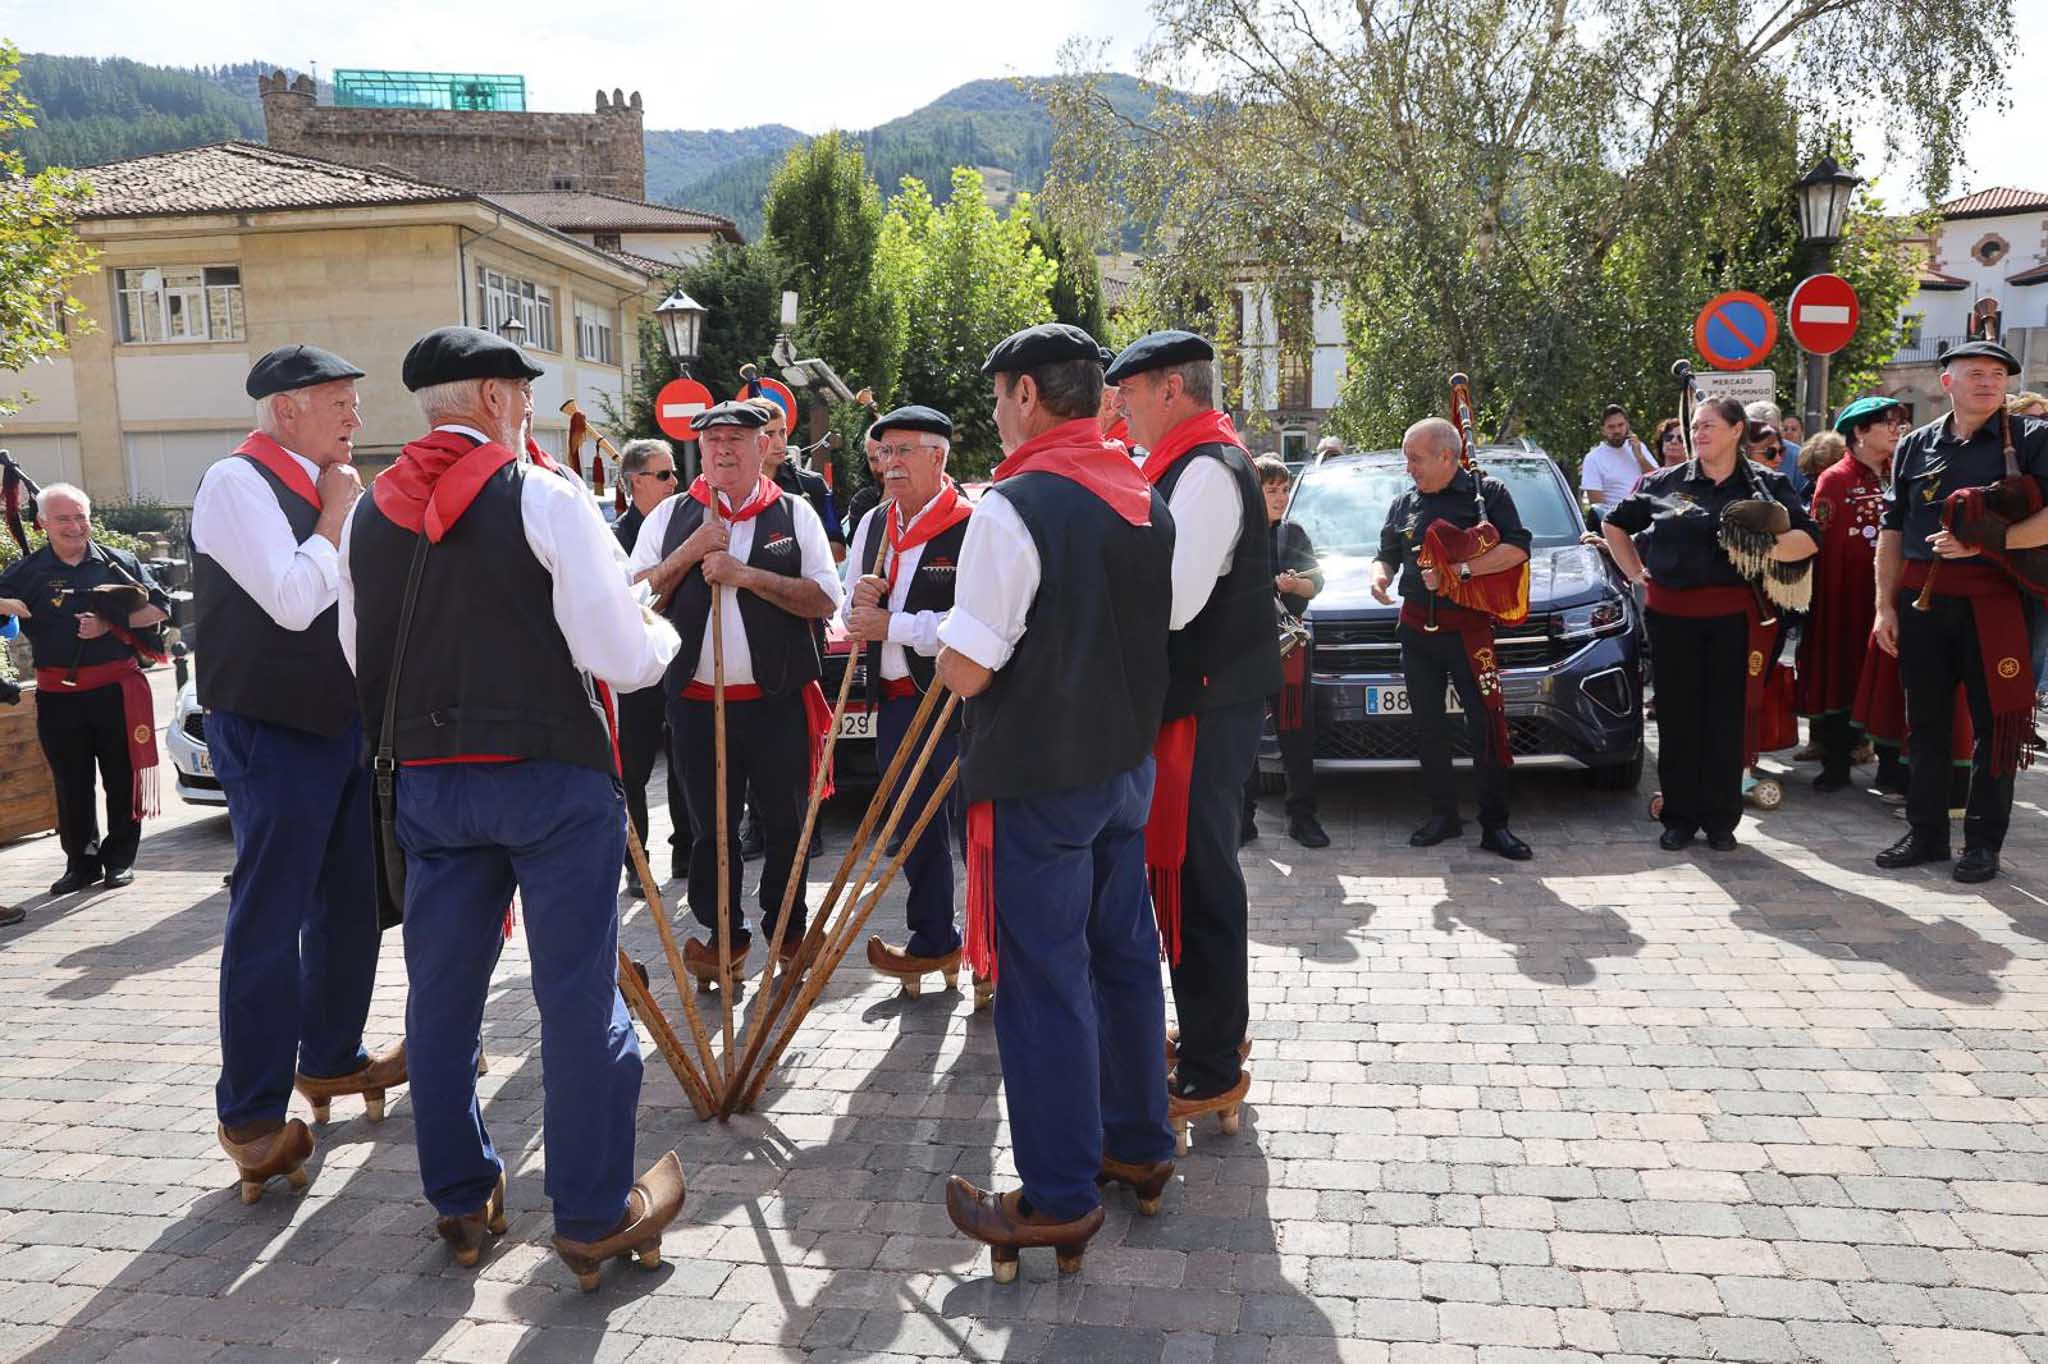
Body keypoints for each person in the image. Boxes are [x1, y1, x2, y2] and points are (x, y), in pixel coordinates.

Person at [341, 325, 685, 1286]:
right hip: (548, 775)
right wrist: (657, 633)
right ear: (495, 398)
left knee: (442, 995)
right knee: (575, 995)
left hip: (431, 785)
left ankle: (460, 1198)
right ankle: (587, 1214)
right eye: (524, 394)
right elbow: (620, 654)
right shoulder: (541, 494)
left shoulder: (367, 515)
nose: (529, 410)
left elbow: (354, 654)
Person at [935, 321, 1175, 1280]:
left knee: (1043, 983)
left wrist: (936, 643)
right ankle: (1139, 1141)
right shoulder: (1141, 494)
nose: (995, 414)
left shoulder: (1013, 506)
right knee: (1123, 956)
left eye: (998, 395)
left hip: (1041, 776)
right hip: (1123, 766)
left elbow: (970, 666)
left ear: (1027, 394)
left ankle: (1060, 1196)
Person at [189, 344, 404, 1201]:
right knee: (270, 919)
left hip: (340, 722)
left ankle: (331, 1055)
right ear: (286, 410)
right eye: (338, 401)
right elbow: (288, 597)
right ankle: (248, 1115)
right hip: (273, 728)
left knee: (351, 902)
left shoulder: (330, 483)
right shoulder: (234, 482)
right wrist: (335, 518)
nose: (355, 415)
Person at [1110, 329, 1277, 1122]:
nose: (1123, 408)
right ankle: (1215, 1031)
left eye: (1132, 393)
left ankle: (1213, 1064)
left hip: (1207, 698)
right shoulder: (1191, 462)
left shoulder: (1206, 469)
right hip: (1200, 697)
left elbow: (1173, 602)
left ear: (1171, 389)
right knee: (1191, 869)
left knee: (1199, 874)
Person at [630, 400, 842, 983]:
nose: (723, 449)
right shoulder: (671, 516)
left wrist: (744, 574)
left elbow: (825, 599)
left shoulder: (794, 514)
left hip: (777, 704)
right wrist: (690, 553)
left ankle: (788, 931)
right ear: (700, 449)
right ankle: (724, 938)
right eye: (713, 439)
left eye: (736, 439)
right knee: (709, 831)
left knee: (786, 824)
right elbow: (634, 600)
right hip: (697, 706)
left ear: (762, 448)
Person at [1603, 395, 1817, 851]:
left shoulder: (1765, 485)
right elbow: (1615, 524)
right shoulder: (1663, 482)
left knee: (1727, 719)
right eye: (1693, 428)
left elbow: (1808, 539)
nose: (1696, 435)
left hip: (1737, 619)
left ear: (1738, 430)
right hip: (1671, 617)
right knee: (1678, 719)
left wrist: (1762, 548)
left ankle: (1722, 820)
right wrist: (1633, 572)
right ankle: (1679, 818)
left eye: (1707, 427)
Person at [1873, 340, 2048, 884]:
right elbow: (1893, 529)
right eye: (1975, 373)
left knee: (1997, 726)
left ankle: (1983, 844)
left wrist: (1989, 543)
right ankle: (1926, 834)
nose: (1988, 382)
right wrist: (1883, 605)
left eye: (1998, 374)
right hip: (1922, 598)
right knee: (1924, 722)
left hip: (1997, 600)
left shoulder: (2035, 439)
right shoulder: (1916, 445)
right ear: (1946, 381)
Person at [843, 405, 973, 996]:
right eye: (884, 453)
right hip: (894, 699)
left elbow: (969, 622)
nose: (889, 466)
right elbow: (852, 614)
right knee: (913, 828)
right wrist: (862, 603)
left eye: (903, 453)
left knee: (977, 830)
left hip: (961, 700)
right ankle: (934, 941)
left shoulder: (972, 525)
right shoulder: (873, 524)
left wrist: (891, 623)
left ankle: (992, 952)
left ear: (938, 457)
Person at [1370, 418, 1535, 860]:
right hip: (1416, 629)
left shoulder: (1487, 495)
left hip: (1469, 630)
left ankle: (1495, 826)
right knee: (1428, 728)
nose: (1409, 469)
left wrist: (1459, 572)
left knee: (1485, 726)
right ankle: (1443, 816)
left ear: (1447, 456)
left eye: (1415, 459)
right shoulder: (1405, 502)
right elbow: (1385, 553)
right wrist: (1380, 578)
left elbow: (1517, 547)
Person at [0, 485, 170, 895]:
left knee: (121, 778)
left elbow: (160, 608)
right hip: (58, 697)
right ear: (42, 524)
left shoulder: (118, 564)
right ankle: (81, 863)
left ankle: (120, 860)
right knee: (70, 782)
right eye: (64, 519)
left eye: (81, 517)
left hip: (114, 691)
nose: (76, 527)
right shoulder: (29, 571)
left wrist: (111, 624)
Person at [1795, 398, 1903, 790]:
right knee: (1840, 673)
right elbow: (1819, 541)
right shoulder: (1835, 479)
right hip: (1844, 600)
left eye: (1898, 423)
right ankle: (1836, 762)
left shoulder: (1902, 472)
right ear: (1859, 431)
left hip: (1894, 599)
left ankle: (1892, 766)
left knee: (1893, 680)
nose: (1896, 430)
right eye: (1887, 423)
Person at [612, 437, 687, 893]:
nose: (674, 482)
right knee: (634, 768)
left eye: (675, 472)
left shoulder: (681, 524)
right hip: (635, 664)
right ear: (635, 482)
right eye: (663, 475)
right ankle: (635, 863)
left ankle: (686, 852)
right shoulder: (616, 537)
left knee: (685, 762)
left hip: (678, 660)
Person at [1243, 453, 1326, 848]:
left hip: (1289, 645)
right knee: (1243, 736)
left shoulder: (1293, 533)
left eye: (1283, 490)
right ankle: (1244, 819)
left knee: (1296, 733)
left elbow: (1316, 583)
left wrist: (1295, 587)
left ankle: (1302, 816)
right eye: (1270, 489)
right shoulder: (1239, 532)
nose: (1279, 497)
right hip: (1244, 645)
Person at [756, 399, 846, 563]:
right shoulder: (734, 490)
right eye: (769, 435)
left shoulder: (812, 485)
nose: (779, 442)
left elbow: (839, 552)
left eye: (782, 432)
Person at [1578, 404, 1655, 512]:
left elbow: (1658, 480)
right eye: (1611, 427)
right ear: (1603, 430)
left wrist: (1640, 457)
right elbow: (1597, 505)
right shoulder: (1593, 458)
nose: (1617, 431)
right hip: (1616, 520)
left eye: (1620, 425)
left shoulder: (1639, 447)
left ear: (1627, 426)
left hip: (1647, 513)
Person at [1745, 400, 1808, 501]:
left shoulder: (1798, 456)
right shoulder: (1732, 457)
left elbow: (1805, 500)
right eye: (1761, 434)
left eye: (1773, 431)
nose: (1778, 459)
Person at [840, 425, 885, 542]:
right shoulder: (863, 502)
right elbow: (865, 550)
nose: (879, 468)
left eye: (884, 456)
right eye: (873, 460)